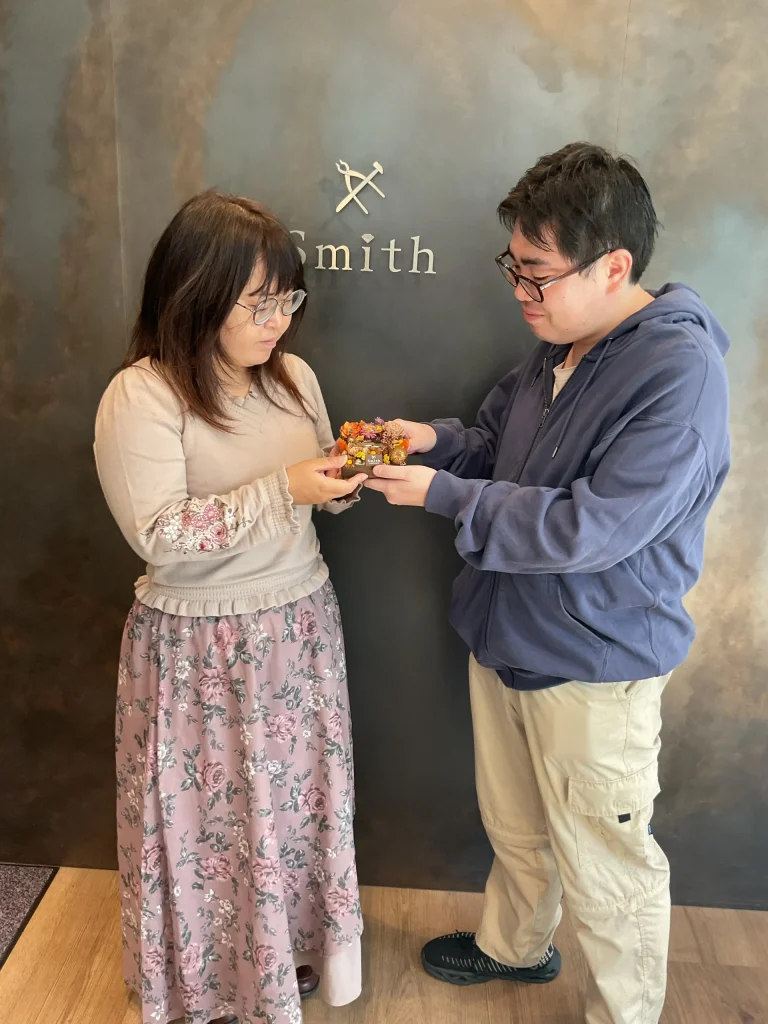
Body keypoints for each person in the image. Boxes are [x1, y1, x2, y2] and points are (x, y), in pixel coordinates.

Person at [366, 143, 730, 1024]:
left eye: (538, 273)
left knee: (609, 868)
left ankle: (623, 1014)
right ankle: (514, 947)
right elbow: (498, 443)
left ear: (614, 267)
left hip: (594, 664)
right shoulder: (562, 341)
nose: (520, 292)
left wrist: (444, 495)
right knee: (517, 827)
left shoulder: (679, 375)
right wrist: (432, 442)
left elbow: (592, 527)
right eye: (515, 268)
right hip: (506, 638)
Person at [94, 190, 367, 1024]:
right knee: (206, 823)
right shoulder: (142, 395)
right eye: (259, 303)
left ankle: (284, 957)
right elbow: (159, 533)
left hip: (299, 627)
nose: (279, 320)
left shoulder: (294, 377)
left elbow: (311, 496)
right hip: (197, 649)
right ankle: (210, 982)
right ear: (195, 292)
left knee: (293, 808)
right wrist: (284, 489)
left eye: (288, 298)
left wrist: (344, 480)